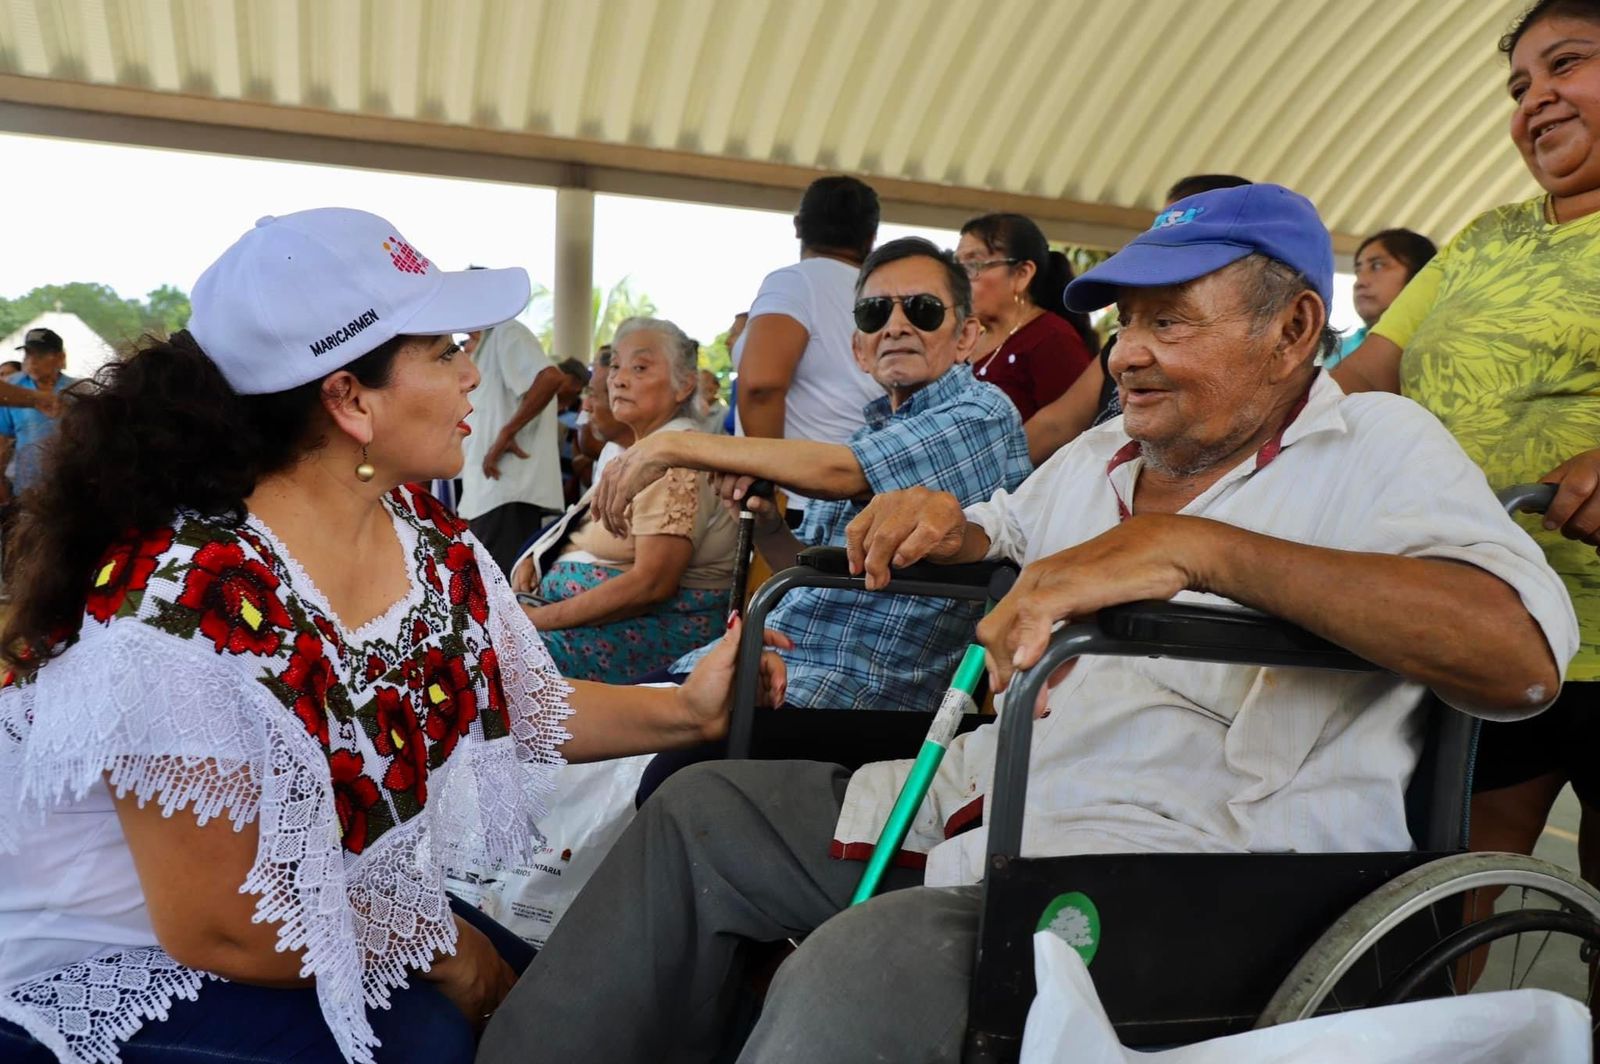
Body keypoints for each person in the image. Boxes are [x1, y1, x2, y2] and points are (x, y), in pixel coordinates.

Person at [478, 183, 1577, 1064]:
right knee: (701, 810)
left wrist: (1203, 550)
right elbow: (999, 525)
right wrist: (940, 522)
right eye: (1125, 323)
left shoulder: (1378, 446)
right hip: (998, 809)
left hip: (1190, 872)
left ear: (1293, 329)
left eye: (1169, 320)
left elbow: (1516, 656)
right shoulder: (1105, 455)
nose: (1128, 352)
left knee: (862, 964)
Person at [0, 208, 785, 1064]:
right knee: (436, 1039)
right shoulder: (186, 594)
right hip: (127, 952)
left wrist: (690, 710)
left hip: (312, 905)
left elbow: (515, 702)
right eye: (446, 351)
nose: (472, 377)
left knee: (568, 1000)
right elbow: (217, 927)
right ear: (349, 398)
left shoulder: (420, 534)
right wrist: (449, 949)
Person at [1333, 0, 1600, 898]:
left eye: (1568, 65)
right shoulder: (1490, 236)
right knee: (1444, 895)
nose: (1538, 99)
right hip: (1486, 619)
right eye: (1522, 85)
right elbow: (1367, 376)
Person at [592, 236, 1032, 712]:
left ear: (966, 336)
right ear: (859, 349)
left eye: (922, 310)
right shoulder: (869, 433)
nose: (896, 326)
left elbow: (842, 472)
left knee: (608, 741)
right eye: (875, 313)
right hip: (784, 661)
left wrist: (673, 445)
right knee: (580, 731)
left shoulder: (979, 412)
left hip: (861, 688)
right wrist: (768, 525)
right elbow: (809, 568)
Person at [512, 319, 736, 683]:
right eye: (615, 365)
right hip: (601, 624)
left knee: (490, 660)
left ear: (685, 386)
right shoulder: (643, 452)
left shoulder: (677, 460)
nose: (618, 379)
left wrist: (535, 620)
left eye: (640, 367)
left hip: (660, 636)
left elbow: (652, 585)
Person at [1023, 174, 1252, 466]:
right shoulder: (1090, 453)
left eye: (1167, 322)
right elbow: (1055, 425)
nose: (1124, 359)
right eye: (1125, 320)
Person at [734, 175, 883, 513]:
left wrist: (765, 479)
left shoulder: (795, 282)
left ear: (798, 226)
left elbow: (761, 385)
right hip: (863, 489)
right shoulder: (883, 292)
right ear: (871, 238)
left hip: (800, 498)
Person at [954, 213, 1097, 421]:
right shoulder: (968, 338)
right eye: (955, 268)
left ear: (1022, 274)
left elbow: (1071, 431)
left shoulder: (1051, 339)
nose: (957, 280)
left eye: (972, 266)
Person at [458, 313, 567, 575]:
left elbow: (550, 377)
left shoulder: (506, 331)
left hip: (508, 491)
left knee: (500, 588)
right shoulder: (483, 345)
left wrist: (507, 433)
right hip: (489, 494)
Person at [1323, 228, 1437, 370]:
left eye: (1377, 266)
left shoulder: (1446, 348)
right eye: (1358, 271)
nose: (1360, 282)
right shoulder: (1336, 353)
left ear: (1420, 275)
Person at [0, 328, 76, 507]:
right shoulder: (12, 387)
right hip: (25, 488)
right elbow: (2, 440)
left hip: (67, 488)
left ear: (60, 357)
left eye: (41, 355)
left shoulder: (78, 390)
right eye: (28, 354)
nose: (32, 361)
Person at [696, 369, 728, 434]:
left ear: (717, 386)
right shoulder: (691, 411)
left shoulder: (725, 413)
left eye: (706, 381)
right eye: (700, 382)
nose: (703, 386)